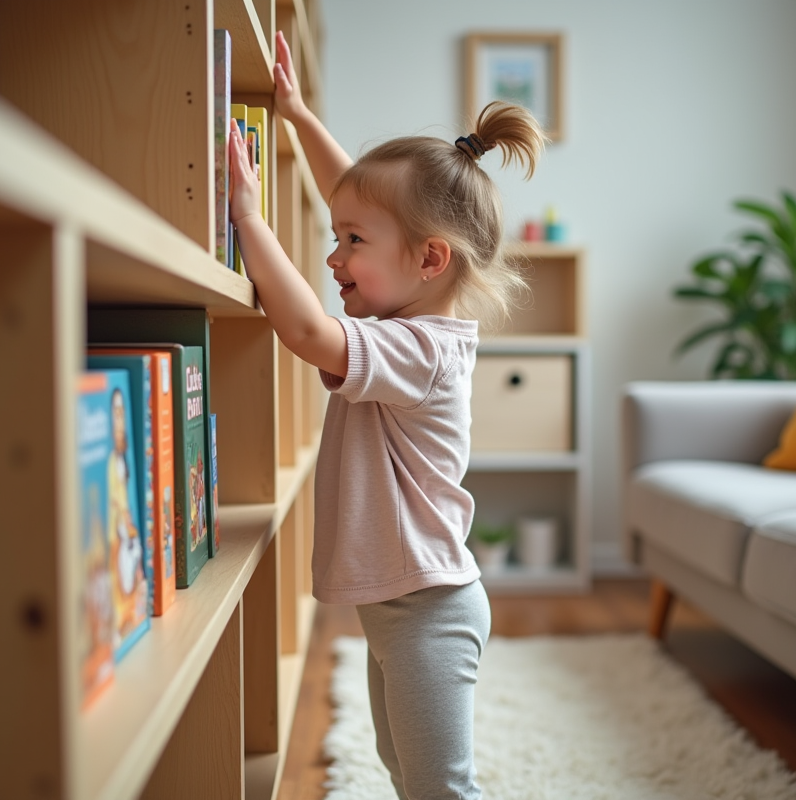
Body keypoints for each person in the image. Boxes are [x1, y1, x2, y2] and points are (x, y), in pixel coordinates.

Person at [228, 30, 546, 800]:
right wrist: (299, 118)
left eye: (350, 244)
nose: (334, 258)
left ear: (430, 260)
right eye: (335, 240)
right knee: (405, 772)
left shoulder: (418, 350)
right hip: (401, 604)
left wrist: (245, 213)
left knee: (441, 786)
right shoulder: (416, 308)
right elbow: (365, 204)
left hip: (430, 611)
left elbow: (304, 331)